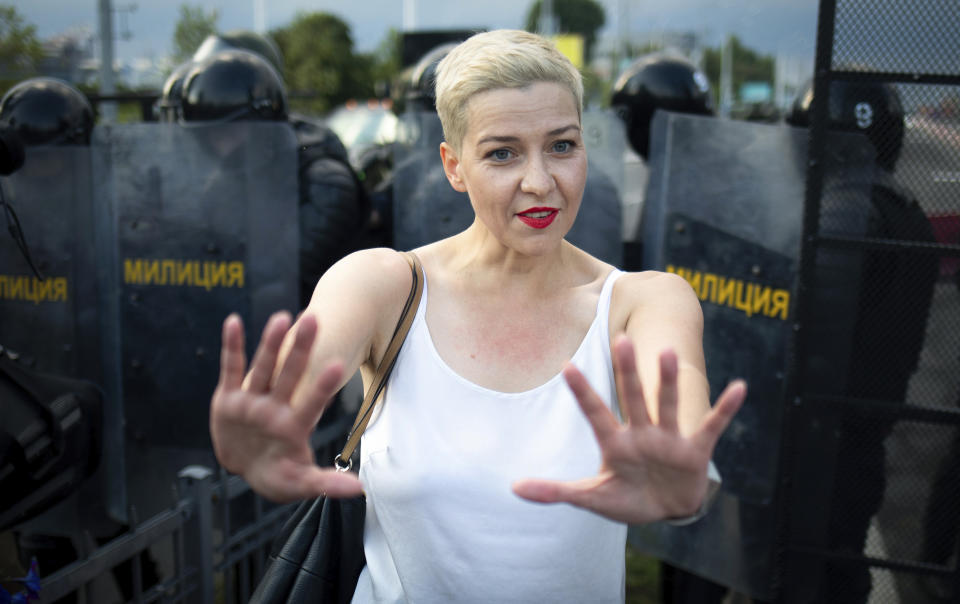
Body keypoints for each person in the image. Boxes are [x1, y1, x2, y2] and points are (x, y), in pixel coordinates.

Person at [209, 29, 746, 602]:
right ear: (454, 165)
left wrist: (682, 477)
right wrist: (269, 425)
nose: (540, 181)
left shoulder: (643, 302)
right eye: (502, 153)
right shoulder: (385, 286)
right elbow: (305, 372)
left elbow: (683, 420)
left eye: (562, 145)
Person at [786, 78, 939, 603]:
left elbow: (802, 325)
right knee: (838, 566)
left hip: (813, 437)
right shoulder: (906, 212)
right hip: (861, 437)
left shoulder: (845, 214)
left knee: (805, 571)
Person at [169, 46, 369, 309]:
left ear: (262, 127)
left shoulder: (324, 183)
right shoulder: (224, 181)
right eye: (209, 136)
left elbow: (282, 276)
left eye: (227, 132)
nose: (219, 145)